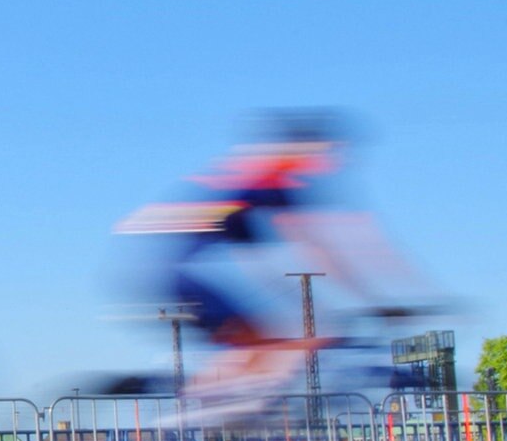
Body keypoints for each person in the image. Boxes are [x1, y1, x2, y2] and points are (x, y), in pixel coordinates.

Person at [115, 111, 430, 418]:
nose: (328, 162)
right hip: (187, 276)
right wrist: (375, 300)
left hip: (167, 273)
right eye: (326, 152)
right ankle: (207, 409)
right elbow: (321, 249)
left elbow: (262, 260)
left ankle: (198, 400)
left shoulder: (245, 173)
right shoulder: (275, 180)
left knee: (261, 345)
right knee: (276, 343)